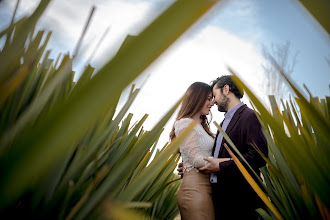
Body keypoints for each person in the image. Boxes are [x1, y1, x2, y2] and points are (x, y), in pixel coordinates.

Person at [198, 75, 268, 220]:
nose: (213, 101)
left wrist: (222, 165)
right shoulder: (223, 124)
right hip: (220, 202)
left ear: (226, 89)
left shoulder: (250, 116)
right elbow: (216, 159)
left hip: (241, 203)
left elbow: (259, 156)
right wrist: (190, 164)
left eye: (214, 95)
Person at [170, 82, 216, 220]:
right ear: (197, 98)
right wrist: (232, 162)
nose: (212, 103)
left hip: (207, 188)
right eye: (208, 98)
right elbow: (196, 160)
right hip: (195, 189)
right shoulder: (184, 124)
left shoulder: (202, 127)